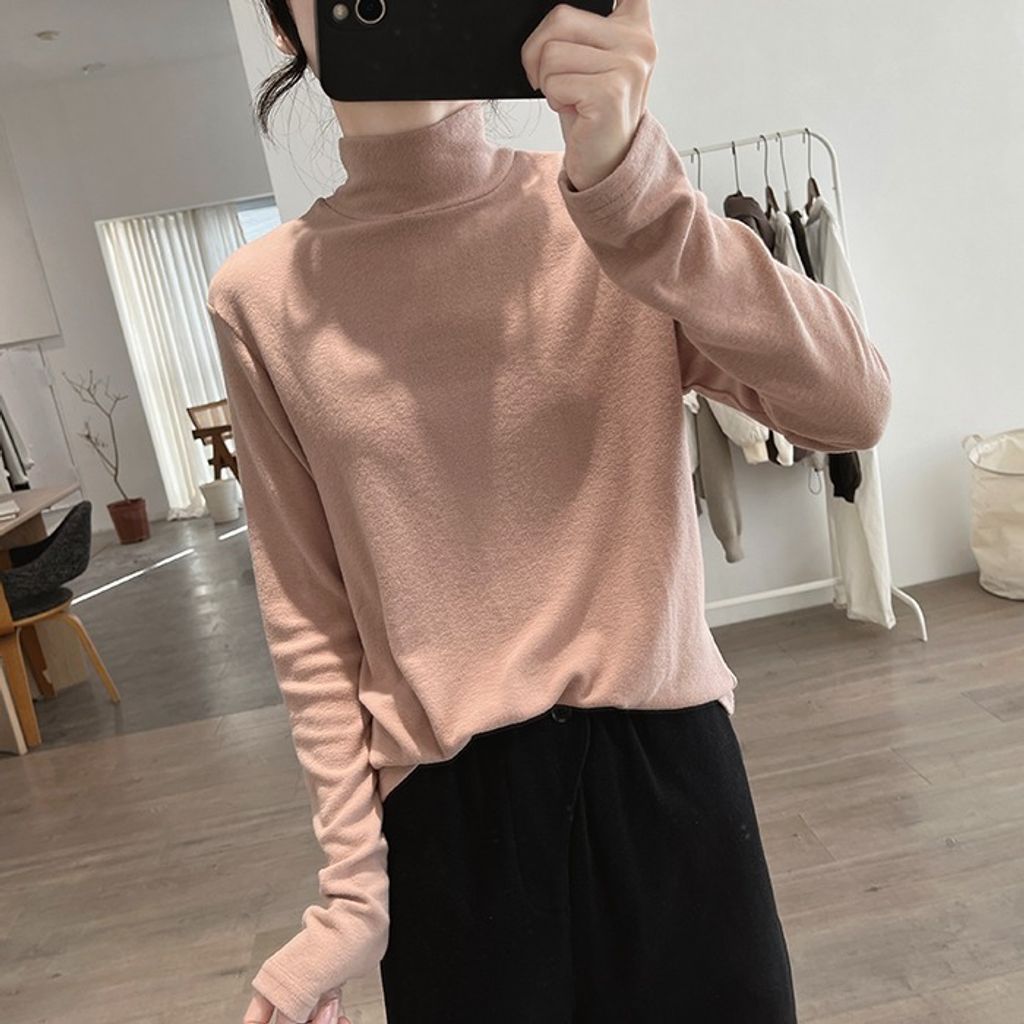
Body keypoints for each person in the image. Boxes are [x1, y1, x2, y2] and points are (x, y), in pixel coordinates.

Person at [209, 2, 892, 1022]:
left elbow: (852, 407)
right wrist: (352, 894)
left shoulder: (614, 214)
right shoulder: (261, 299)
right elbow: (310, 618)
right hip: (448, 830)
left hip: (669, 783)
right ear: (279, 23)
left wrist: (643, 207)